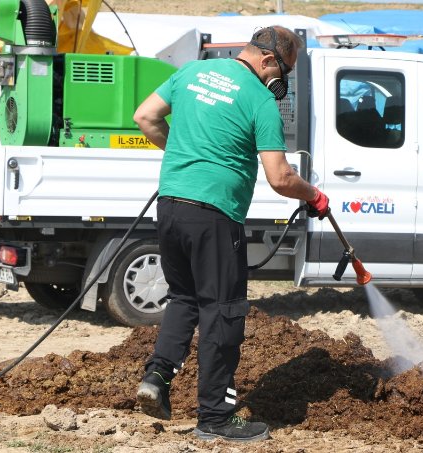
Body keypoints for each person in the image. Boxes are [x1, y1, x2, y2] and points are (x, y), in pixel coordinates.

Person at [132, 26, 330, 442]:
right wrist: (314, 195)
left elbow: (145, 116)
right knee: (223, 311)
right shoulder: (259, 99)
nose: (284, 81)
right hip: (215, 215)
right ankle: (215, 418)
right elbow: (280, 177)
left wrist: (183, 155)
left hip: (170, 207)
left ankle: (156, 377)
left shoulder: (190, 72)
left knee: (185, 298)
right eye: (286, 71)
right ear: (268, 60)